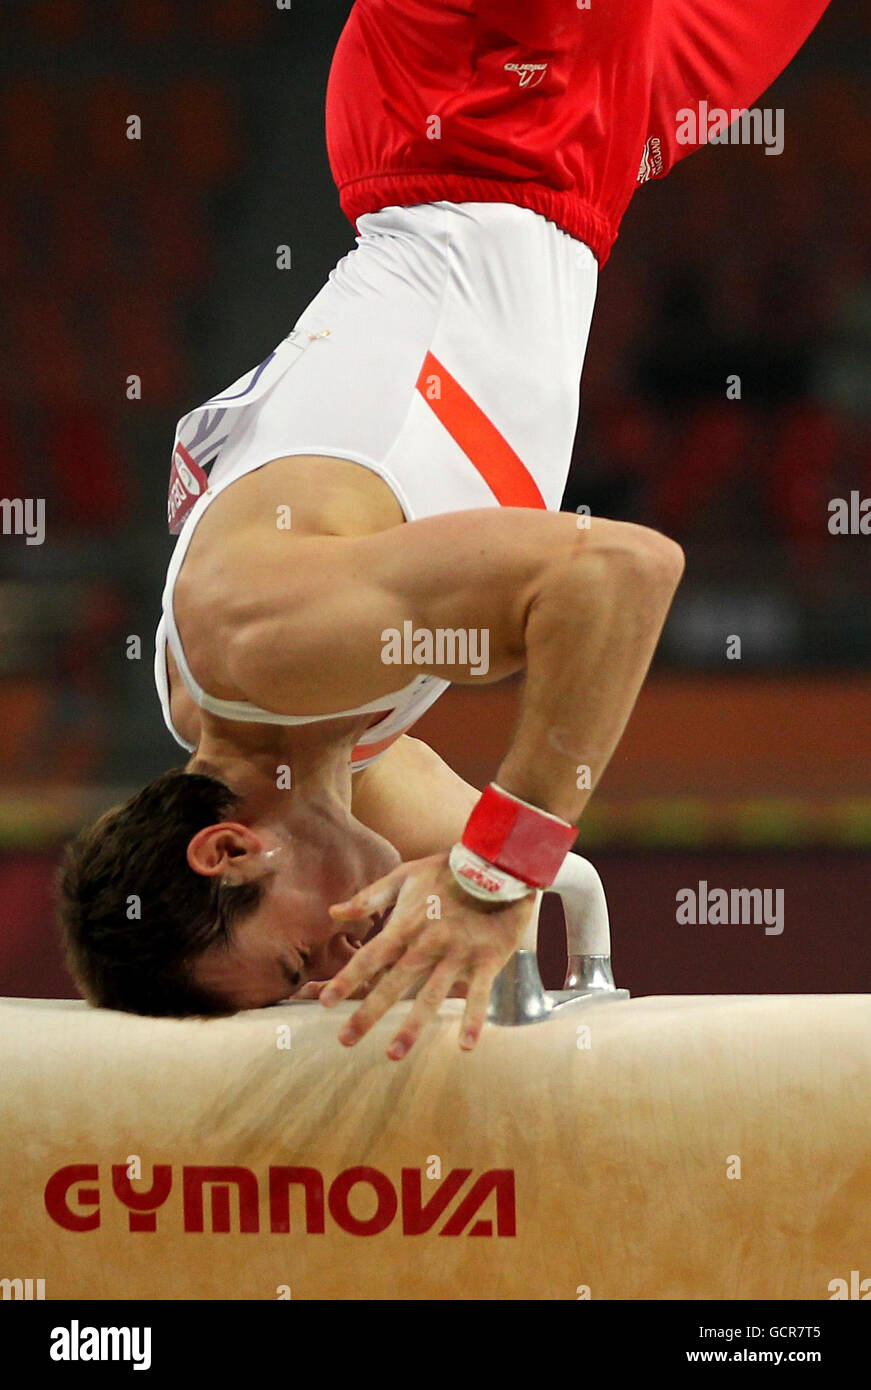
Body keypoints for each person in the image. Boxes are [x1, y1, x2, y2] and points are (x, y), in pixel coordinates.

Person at [58, 0, 829, 1060]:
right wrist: (511, 878)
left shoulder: (260, 644)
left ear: (228, 850)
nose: (334, 974)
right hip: (570, 156)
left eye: (296, 965)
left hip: (467, 95)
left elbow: (617, 573)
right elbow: (529, 841)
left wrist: (493, 878)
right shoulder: (321, 751)